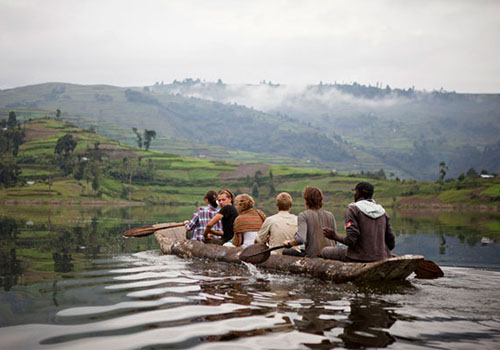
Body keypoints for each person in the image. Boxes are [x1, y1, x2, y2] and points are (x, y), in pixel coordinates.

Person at [322, 182, 395, 262]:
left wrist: (334, 236)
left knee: (325, 251)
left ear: (359, 193)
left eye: (356, 192)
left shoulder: (353, 209)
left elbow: (351, 240)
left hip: (358, 257)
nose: (354, 195)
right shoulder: (383, 212)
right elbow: (391, 244)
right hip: (382, 257)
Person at [282, 186, 336, 257]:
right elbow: (335, 240)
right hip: (331, 255)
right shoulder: (330, 215)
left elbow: (300, 239)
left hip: (314, 256)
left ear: (306, 200)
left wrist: (289, 243)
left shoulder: (303, 215)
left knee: (286, 251)